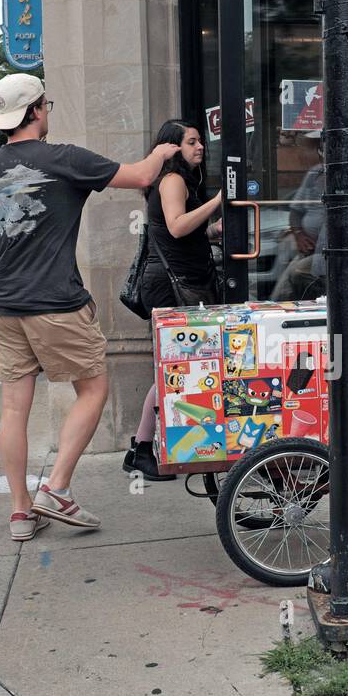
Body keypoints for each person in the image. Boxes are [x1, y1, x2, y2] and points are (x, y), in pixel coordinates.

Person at [0, 73, 181, 541]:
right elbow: (141, 176)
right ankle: (57, 488)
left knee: (13, 409)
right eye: (47, 105)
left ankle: (21, 512)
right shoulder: (64, 159)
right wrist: (166, 151)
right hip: (57, 302)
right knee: (93, 389)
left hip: (4, 306)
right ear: (38, 109)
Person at [123, 119, 223, 481]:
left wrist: (212, 231)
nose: (200, 147)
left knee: (174, 366)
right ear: (172, 147)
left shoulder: (176, 181)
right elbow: (178, 225)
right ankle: (142, 448)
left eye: (200, 141)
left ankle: (143, 448)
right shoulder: (173, 180)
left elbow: (179, 234)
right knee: (174, 367)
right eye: (191, 142)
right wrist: (217, 202)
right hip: (170, 284)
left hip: (175, 279)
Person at [270, 129, 327, 302]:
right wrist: (299, 234)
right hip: (307, 245)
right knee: (284, 251)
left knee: (294, 272)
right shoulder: (315, 174)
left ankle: (279, 307)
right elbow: (295, 212)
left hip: (323, 251)